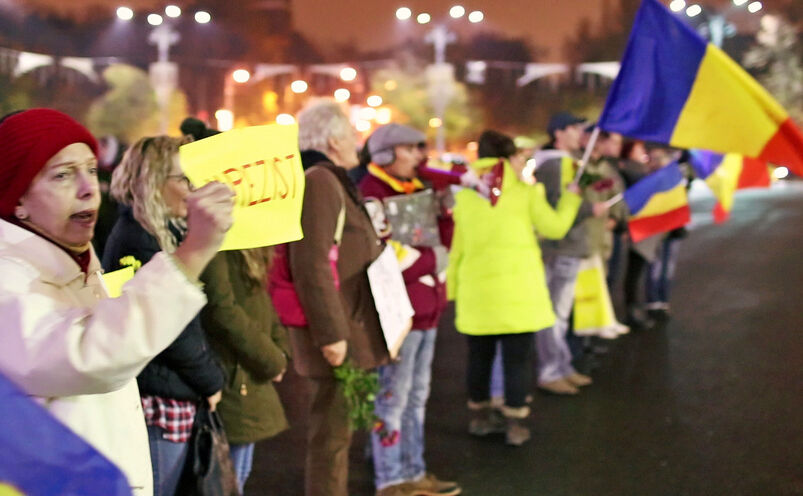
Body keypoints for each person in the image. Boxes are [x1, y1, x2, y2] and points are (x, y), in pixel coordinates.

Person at [0, 108, 233, 496]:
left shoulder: (73, 258)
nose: (89, 187)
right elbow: (88, 355)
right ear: (16, 197)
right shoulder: (8, 277)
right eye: (61, 175)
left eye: (91, 169)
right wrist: (191, 254)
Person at [103, 136, 226, 496]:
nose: (192, 189)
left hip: (169, 389)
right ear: (155, 183)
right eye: (183, 179)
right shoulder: (138, 239)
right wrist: (211, 380)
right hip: (160, 395)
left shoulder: (151, 231)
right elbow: (168, 329)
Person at [448, 130, 583, 446]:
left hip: (476, 291)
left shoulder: (466, 196)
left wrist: (452, 289)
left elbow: (457, 247)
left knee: (479, 358)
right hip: (519, 292)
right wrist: (572, 197)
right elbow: (555, 228)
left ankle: (480, 417)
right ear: (509, 159)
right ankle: (515, 423)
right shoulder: (525, 193)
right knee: (517, 359)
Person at [288, 99, 390, 496]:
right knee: (330, 442)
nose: (356, 140)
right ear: (332, 139)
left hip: (348, 325)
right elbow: (310, 263)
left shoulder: (329, 179)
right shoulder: (320, 181)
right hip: (337, 333)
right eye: (350, 132)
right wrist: (331, 334)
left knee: (338, 438)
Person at [359, 123, 458, 496]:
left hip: (426, 308)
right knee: (392, 399)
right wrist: (432, 257)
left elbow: (441, 246)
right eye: (410, 148)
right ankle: (391, 478)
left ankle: (414, 472)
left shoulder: (416, 189)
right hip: (398, 314)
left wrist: (445, 215)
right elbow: (385, 261)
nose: (420, 156)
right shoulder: (370, 194)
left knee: (416, 397)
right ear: (384, 154)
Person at [199, 247, 291, 493]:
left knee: (240, 473)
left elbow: (262, 303)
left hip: (246, 375)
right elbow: (222, 309)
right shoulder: (218, 249)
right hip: (232, 375)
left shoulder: (249, 247)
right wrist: (272, 358)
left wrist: (279, 352)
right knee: (229, 482)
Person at [533, 112, 607, 395]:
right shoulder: (554, 165)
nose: (579, 134)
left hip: (571, 245)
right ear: (559, 133)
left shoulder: (568, 162)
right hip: (561, 246)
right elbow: (556, 207)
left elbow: (578, 195)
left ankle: (561, 366)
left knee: (560, 313)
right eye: (574, 128)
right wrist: (590, 209)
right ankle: (551, 371)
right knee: (554, 313)